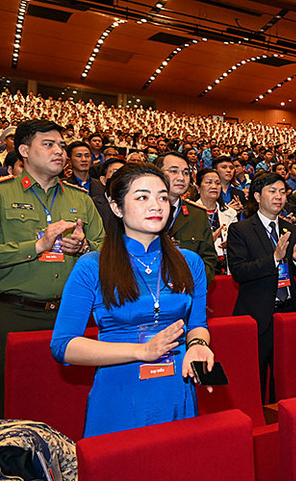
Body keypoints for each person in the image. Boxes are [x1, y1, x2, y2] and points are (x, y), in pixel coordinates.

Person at [50, 163, 212, 438]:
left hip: (175, 388)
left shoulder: (190, 262)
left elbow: (197, 324)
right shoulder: (92, 266)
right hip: (120, 390)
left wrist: (198, 345)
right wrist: (141, 352)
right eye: (142, 197)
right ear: (116, 207)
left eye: (163, 197)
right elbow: (64, 346)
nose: (157, 205)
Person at [0, 119, 105, 417]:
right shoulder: (2, 195)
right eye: (48, 144)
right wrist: (37, 246)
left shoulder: (80, 199)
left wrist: (85, 249)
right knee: (9, 400)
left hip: (71, 315)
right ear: (24, 150)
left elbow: (108, 252)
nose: (59, 151)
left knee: (65, 401)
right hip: (13, 314)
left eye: (61, 145)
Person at [227, 173, 296, 402]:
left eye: (282, 192)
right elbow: (239, 272)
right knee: (256, 380)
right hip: (258, 315)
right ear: (257, 195)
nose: (279, 197)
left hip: (288, 312)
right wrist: (274, 258)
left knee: (286, 379)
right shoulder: (241, 230)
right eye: (272, 191)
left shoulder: (290, 229)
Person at [155, 152, 216, 286]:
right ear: (156, 174)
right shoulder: (140, 210)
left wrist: (190, 282)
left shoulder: (197, 215)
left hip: (187, 294)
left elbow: (209, 260)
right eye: (174, 171)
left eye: (186, 173)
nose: (181, 178)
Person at [195, 168, 237, 275]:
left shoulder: (230, 213)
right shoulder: (189, 214)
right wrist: (207, 242)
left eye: (217, 183)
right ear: (198, 188)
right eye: (209, 182)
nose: (214, 186)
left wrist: (232, 243)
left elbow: (238, 242)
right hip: (200, 268)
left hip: (226, 267)